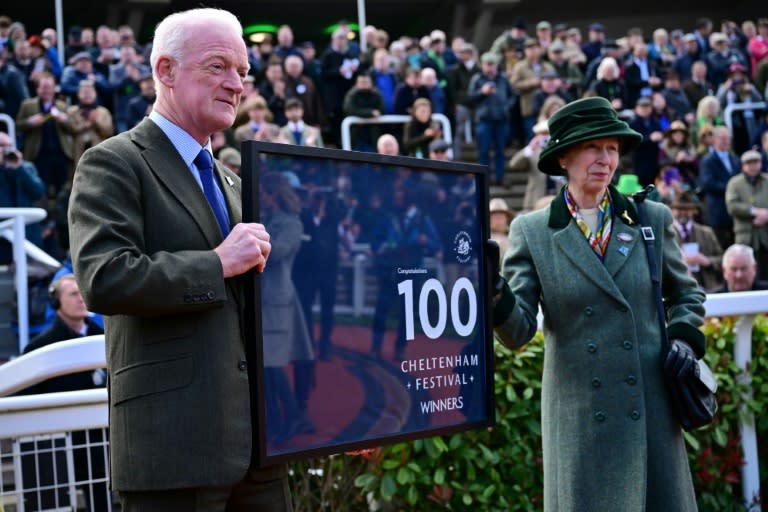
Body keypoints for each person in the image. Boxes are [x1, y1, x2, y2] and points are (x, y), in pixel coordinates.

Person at [67, 8, 288, 511]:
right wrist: (216, 263)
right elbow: (104, 277)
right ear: (165, 71)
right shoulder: (113, 163)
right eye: (218, 66)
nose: (236, 84)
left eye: (243, 71)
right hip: (173, 454)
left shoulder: (234, 179)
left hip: (262, 454)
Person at [492, 96, 706, 511]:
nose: (605, 158)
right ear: (564, 157)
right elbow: (518, 331)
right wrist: (495, 291)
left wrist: (684, 340)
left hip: (651, 410)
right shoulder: (532, 231)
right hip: (580, 422)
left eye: (611, 148)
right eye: (593, 147)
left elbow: (688, 295)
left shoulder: (651, 219)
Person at [468, 52, 516, 186]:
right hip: (484, 121)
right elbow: (470, 98)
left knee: (500, 150)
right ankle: (484, 178)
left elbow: (513, 95)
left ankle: (500, 177)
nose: (489, 68)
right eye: (487, 65)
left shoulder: (503, 79)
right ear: (482, 65)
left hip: (501, 120)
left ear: (497, 65)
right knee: (483, 151)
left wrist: (507, 106)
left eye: (492, 64)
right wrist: (482, 92)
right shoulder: (477, 79)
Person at [725, 149, 768, 280]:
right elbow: (732, 206)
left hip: (765, 236)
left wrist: (766, 215)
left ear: (760, 163)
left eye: (755, 162)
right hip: (746, 236)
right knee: (746, 271)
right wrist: (754, 212)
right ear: (743, 165)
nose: (753, 166)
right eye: (749, 163)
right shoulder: (734, 183)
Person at [670, 191, 724, 291]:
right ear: (672, 210)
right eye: (679, 209)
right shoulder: (665, 234)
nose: (683, 213)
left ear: (693, 211)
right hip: (676, 289)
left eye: (687, 209)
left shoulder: (707, 233)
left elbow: (724, 260)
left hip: (708, 288)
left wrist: (707, 261)